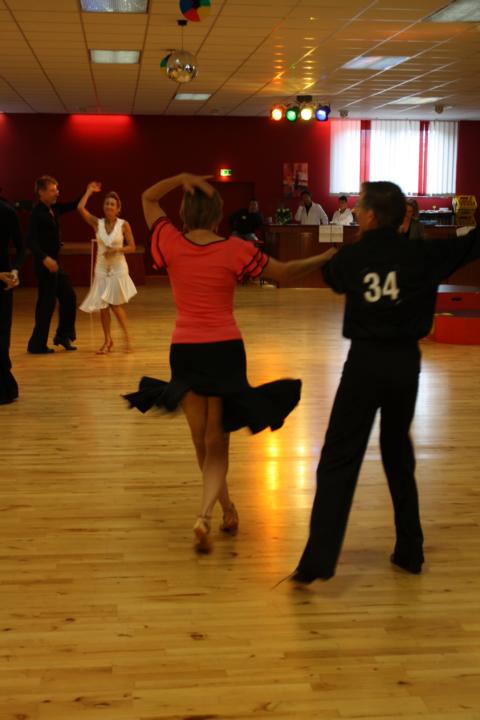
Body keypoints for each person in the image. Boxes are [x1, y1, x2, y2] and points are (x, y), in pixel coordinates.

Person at [124, 172, 336, 553]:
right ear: (218, 215)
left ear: (185, 213)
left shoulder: (170, 241)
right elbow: (285, 273)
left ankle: (223, 509)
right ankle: (208, 512)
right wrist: (325, 256)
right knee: (216, 440)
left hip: (186, 349)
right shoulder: (235, 248)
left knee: (199, 439)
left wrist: (182, 177)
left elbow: (147, 197)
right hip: (224, 349)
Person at [291, 180, 480, 584]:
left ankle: (318, 561)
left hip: (364, 364)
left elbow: (333, 277)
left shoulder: (353, 256)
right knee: (397, 453)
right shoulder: (424, 254)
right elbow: (471, 245)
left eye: (361, 207)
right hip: (405, 366)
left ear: (373, 216)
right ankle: (410, 551)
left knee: (339, 457)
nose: (357, 212)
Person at [78, 182, 137, 354]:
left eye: (112, 204)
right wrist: (89, 191)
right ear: (103, 207)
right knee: (103, 306)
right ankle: (107, 341)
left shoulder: (124, 224)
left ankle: (127, 338)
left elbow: (132, 247)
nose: (109, 206)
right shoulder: (97, 223)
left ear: (118, 209)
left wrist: (117, 249)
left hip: (118, 268)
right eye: (107, 204)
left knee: (115, 305)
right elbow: (80, 208)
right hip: (101, 268)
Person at [26, 176, 82, 354]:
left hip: (55, 263)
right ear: (41, 193)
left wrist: (88, 191)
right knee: (46, 305)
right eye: (52, 190)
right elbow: (31, 241)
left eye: (57, 189)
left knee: (69, 296)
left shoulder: (54, 209)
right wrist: (44, 258)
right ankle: (36, 345)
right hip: (45, 265)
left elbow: (73, 205)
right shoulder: (37, 214)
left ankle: (63, 335)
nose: (57, 193)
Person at [0, 198, 24, 405]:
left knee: (2, 334)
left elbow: (21, 248)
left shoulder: (7, 212)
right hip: (2, 279)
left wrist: (15, 271)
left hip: (4, 283)